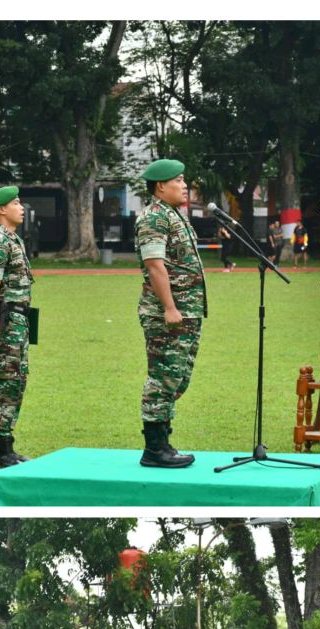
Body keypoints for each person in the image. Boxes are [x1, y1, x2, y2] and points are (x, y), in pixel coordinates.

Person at [135, 158, 206, 469]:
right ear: (161, 186)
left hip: (187, 313)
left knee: (178, 378)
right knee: (163, 378)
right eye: (178, 180)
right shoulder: (154, 218)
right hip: (168, 314)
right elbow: (154, 265)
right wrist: (169, 307)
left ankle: (162, 440)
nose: (185, 185)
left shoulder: (174, 215)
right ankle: (155, 447)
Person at [0, 185, 34, 469]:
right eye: (16, 203)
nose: (21, 207)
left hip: (19, 320)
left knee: (17, 380)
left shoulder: (13, 239)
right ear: (2, 209)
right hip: (8, 321)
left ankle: (7, 447)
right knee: (6, 383)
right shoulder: (0, 242)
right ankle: (1, 451)